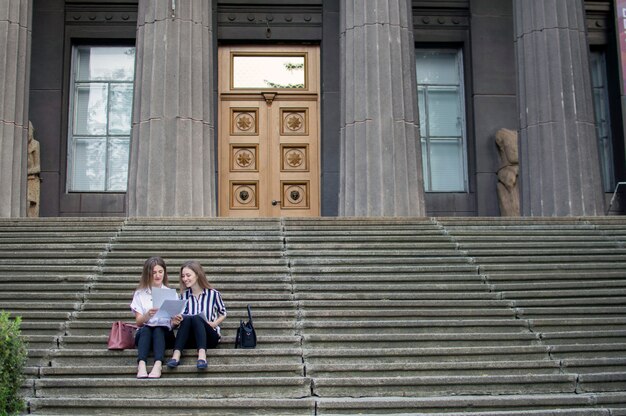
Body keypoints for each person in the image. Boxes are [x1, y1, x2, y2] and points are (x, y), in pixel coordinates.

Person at [166, 261, 227, 370]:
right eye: (183, 276)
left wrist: (214, 323)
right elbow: (180, 317)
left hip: (209, 337)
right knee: (189, 318)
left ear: (198, 275)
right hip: (190, 338)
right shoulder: (183, 296)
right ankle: (176, 356)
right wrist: (177, 320)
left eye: (188, 275)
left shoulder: (213, 294)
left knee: (196, 318)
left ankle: (202, 355)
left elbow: (223, 313)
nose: (185, 279)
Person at [130, 257, 179, 379]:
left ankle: (158, 364)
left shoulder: (170, 293)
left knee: (158, 329)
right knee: (147, 329)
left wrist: (175, 322)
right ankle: (141, 364)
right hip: (145, 333)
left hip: (163, 334)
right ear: (148, 274)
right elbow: (138, 322)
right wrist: (147, 315)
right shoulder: (140, 293)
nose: (157, 276)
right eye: (154, 273)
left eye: (160, 272)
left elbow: (173, 324)